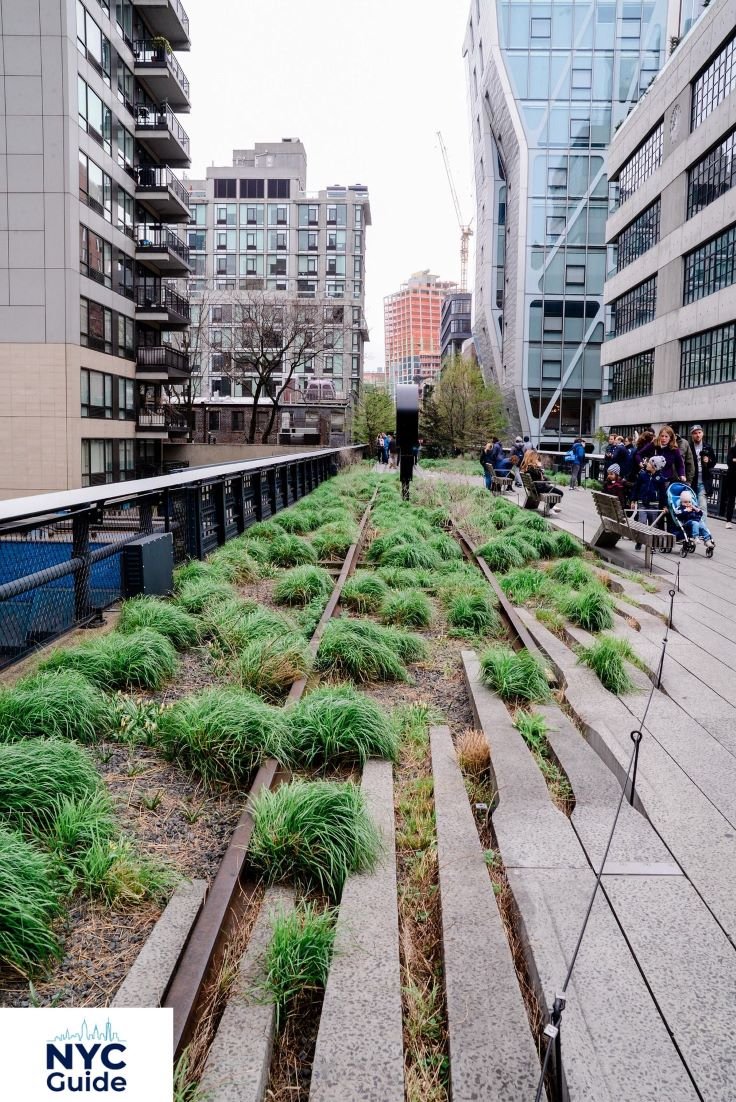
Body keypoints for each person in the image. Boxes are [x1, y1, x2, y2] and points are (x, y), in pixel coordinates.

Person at [632, 455, 668, 550]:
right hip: (642, 503)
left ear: (654, 466)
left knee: (653, 524)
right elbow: (636, 488)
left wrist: (664, 505)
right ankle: (640, 541)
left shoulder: (660, 479)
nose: (647, 464)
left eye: (649, 463)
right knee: (642, 523)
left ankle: (652, 545)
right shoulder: (642, 475)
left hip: (654, 505)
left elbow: (663, 493)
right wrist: (633, 500)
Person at [685, 424, 717, 516]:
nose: (697, 435)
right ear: (692, 435)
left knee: (702, 506)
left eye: (699, 432)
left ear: (702, 433)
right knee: (691, 506)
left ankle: (702, 529)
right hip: (691, 481)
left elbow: (714, 462)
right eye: (695, 433)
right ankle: (694, 527)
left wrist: (709, 460)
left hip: (704, 481)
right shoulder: (689, 447)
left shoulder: (708, 447)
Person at [724, 438, 736, 529]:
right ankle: (728, 521)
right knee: (731, 500)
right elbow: (729, 461)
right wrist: (733, 460)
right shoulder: (732, 449)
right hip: (732, 478)